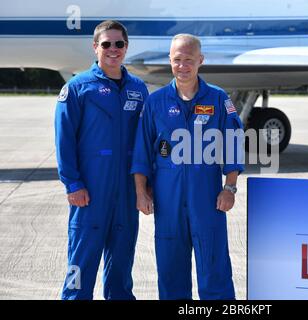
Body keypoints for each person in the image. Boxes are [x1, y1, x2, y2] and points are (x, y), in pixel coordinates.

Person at [131, 34, 244, 300]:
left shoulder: (218, 99)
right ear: (170, 61)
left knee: (215, 270)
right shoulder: (155, 102)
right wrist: (140, 192)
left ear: (200, 61)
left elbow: (233, 145)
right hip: (168, 203)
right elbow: (141, 152)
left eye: (189, 60)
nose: (183, 66)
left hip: (207, 201)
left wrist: (230, 187)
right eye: (177, 60)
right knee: (171, 274)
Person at [54, 20, 148, 300]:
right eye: (106, 44)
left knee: (121, 269)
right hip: (90, 193)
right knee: (80, 265)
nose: (113, 49)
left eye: (119, 44)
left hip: (126, 195)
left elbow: (145, 141)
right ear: (95, 47)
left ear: (126, 48)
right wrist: (72, 184)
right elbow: (64, 140)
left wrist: (146, 186)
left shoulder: (138, 89)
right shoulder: (77, 88)